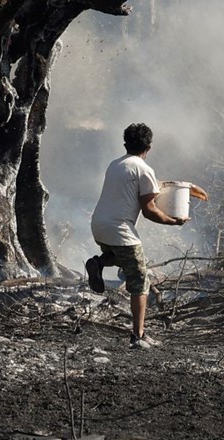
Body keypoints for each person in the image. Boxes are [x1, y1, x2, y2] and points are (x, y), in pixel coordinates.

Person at [85, 123, 188, 349]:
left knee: (121, 257)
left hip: (99, 225)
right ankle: (138, 336)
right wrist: (174, 221)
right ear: (148, 147)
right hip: (120, 229)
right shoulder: (143, 169)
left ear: (125, 144)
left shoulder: (115, 165)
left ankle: (98, 262)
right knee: (141, 280)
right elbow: (149, 210)